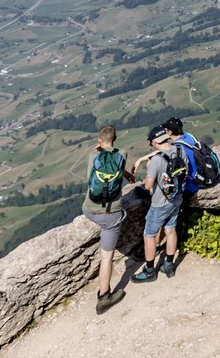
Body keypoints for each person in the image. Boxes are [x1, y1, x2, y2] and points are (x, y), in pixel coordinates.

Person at [80, 125, 134, 314]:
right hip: (111, 214)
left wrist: (98, 151)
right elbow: (117, 163)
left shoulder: (92, 156)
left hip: (89, 209)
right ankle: (104, 297)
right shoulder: (123, 154)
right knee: (106, 257)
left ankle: (104, 294)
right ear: (116, 138)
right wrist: (126, 173)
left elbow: (90, 178)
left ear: (98, 141)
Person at [130, 125, 183, 282]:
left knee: (149, 236)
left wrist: (149, 170)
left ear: (154, 142)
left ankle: (149, 270)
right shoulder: (180, 151)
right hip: (176, 198)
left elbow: (147, 186)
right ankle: (169, 265)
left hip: (160, 203)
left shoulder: (157, 161)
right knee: (170, 230)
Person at [163, 116, 203, 195]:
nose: (165, 131)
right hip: (201, 175)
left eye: (166, 130)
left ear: (170, 132)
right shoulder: (189, 136)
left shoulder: (177, 148)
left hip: (193, 184)